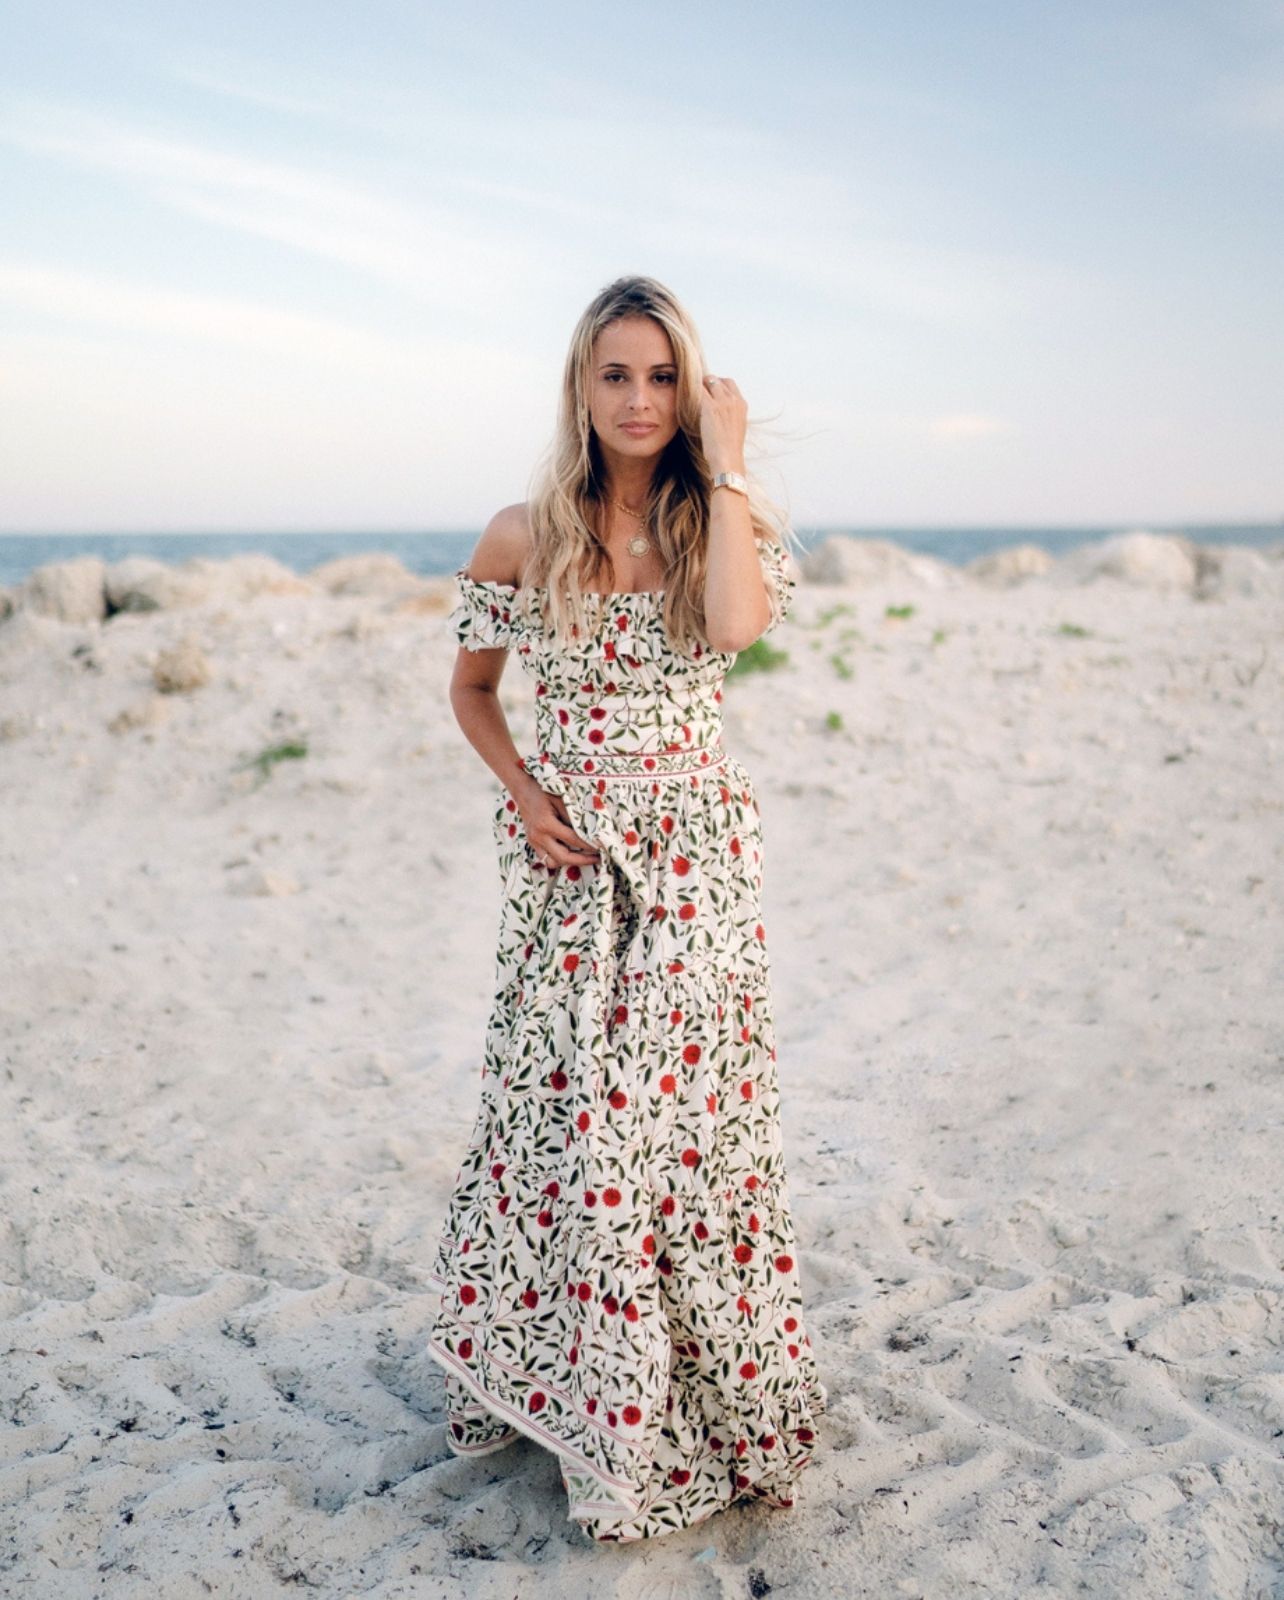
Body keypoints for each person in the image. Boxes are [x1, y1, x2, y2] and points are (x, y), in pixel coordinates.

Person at [424, 274, 827, 1543]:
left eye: (663, 376)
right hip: (568, 868)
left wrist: (734, 463)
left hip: (700, 860)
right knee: (570, 1121)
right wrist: (529, 796)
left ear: (689, 390)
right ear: (580, 388)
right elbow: (475, 692)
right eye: (616, 375)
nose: (639, 399)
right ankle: (593, 1396)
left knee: (677, 1131)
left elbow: (731, 638)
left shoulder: (722, 525)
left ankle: (690, 1396)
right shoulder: (520, 534)